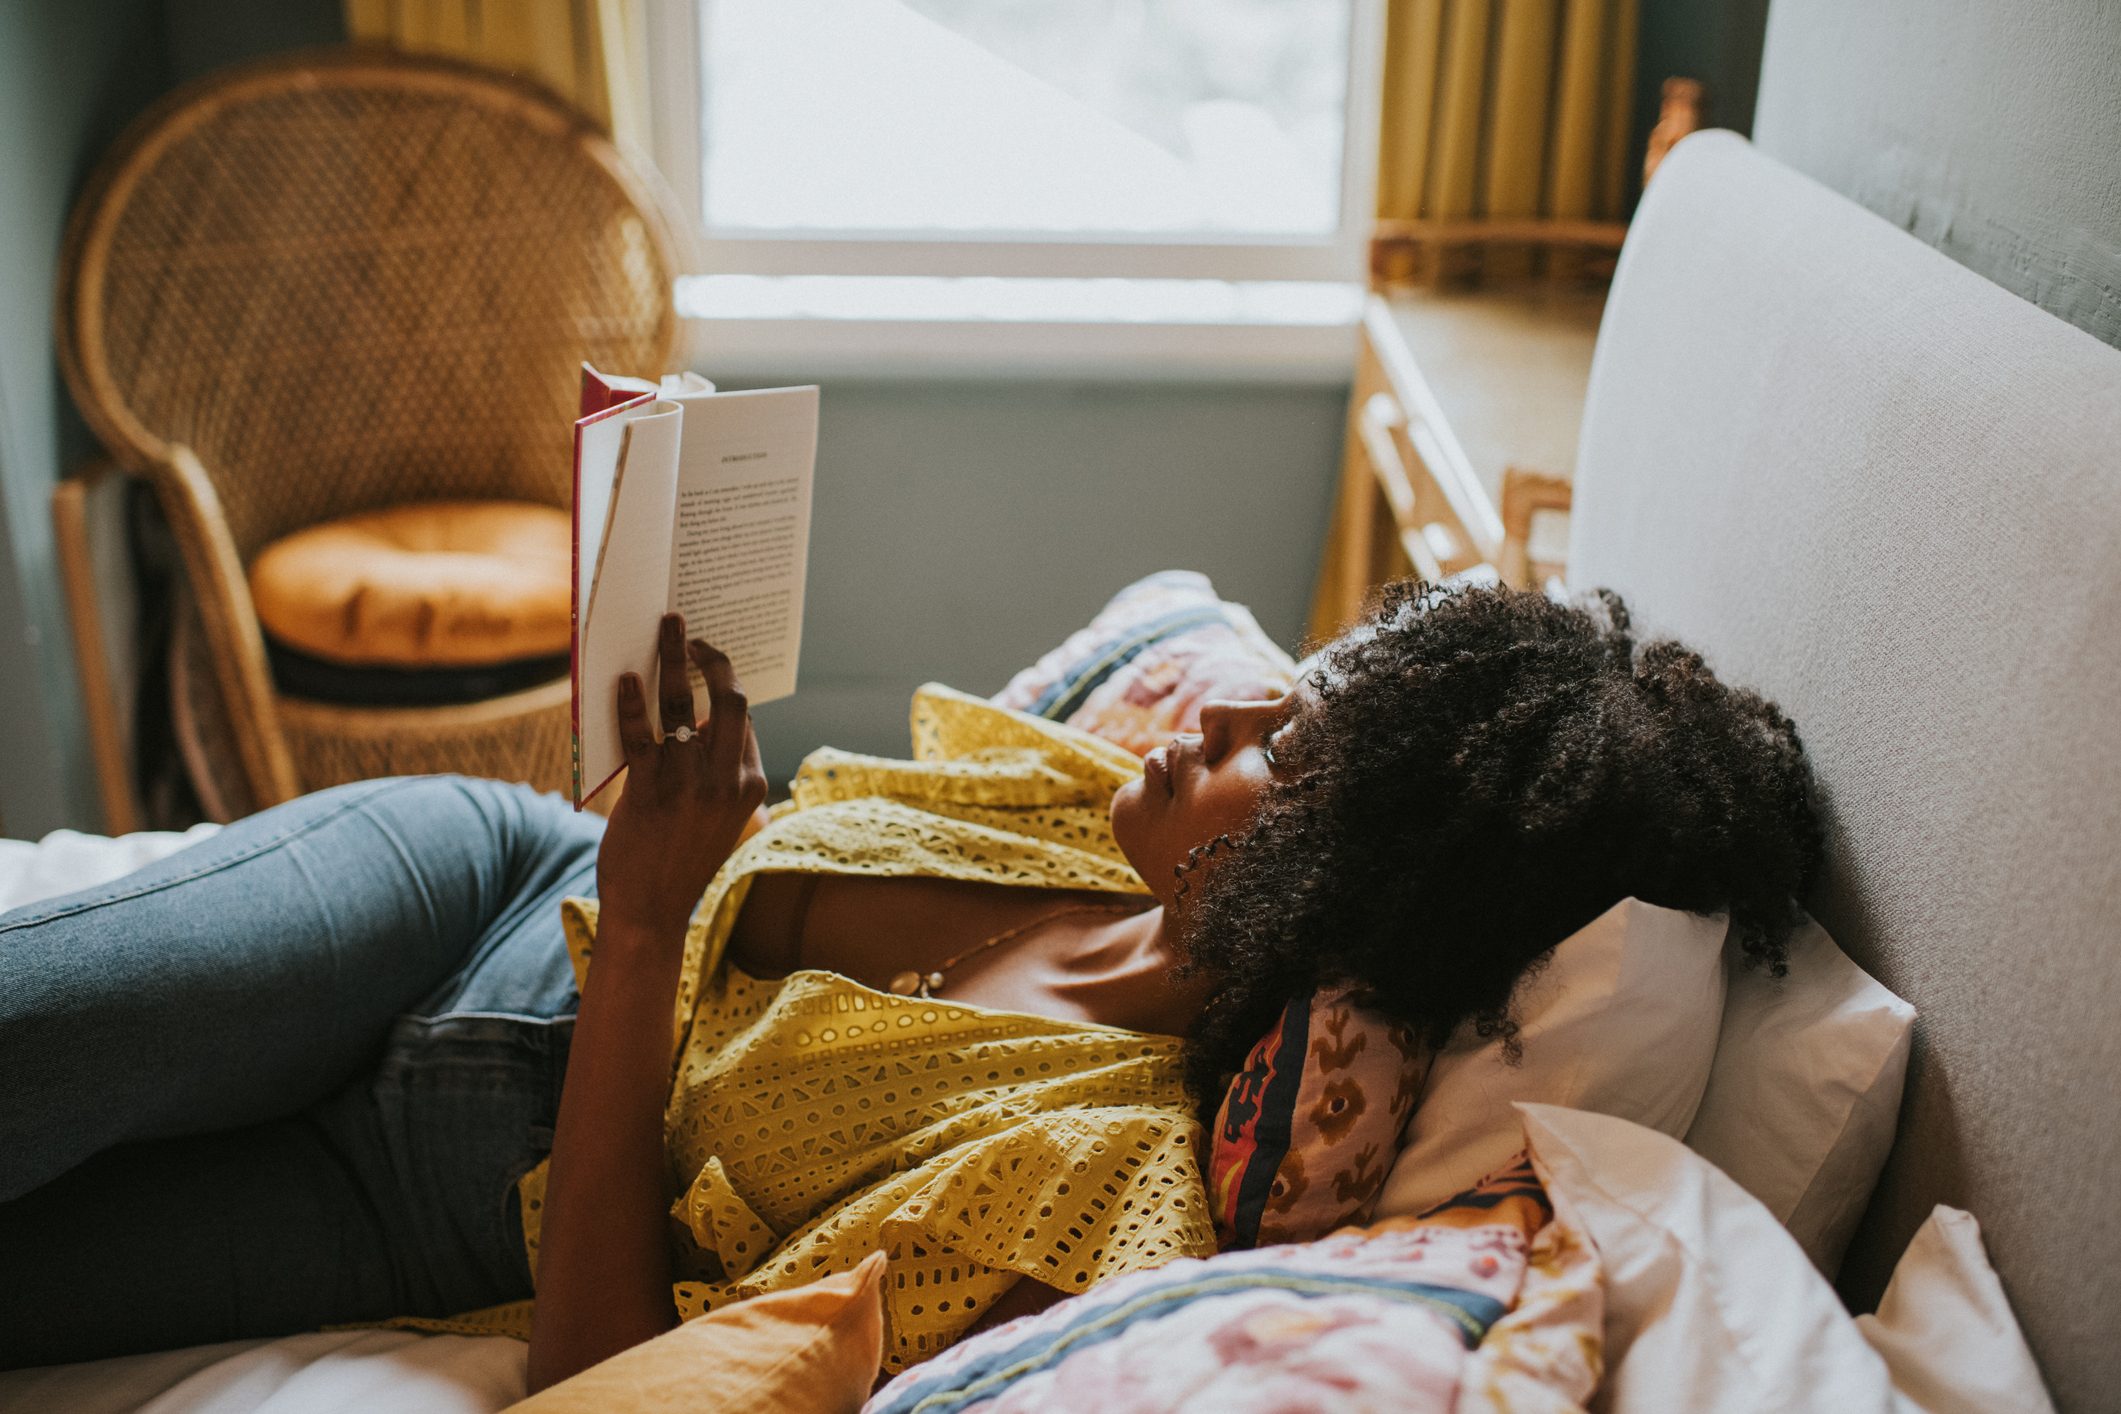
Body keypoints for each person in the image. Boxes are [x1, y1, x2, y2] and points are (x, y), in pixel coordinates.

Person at [0, 582, 1820, 1387]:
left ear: (1350, 889)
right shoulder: (1092, 820)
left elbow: (605, 1374)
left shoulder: (1104, 1186)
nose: (1236, 705)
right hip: (467, 885)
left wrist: (648, 938)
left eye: (1297, 748)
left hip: (424, 1201)